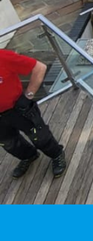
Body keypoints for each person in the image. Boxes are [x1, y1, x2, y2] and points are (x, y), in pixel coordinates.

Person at [0, 50, 67, 179]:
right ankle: (28, 156)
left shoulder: (3, 57)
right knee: (9, 143)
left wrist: (28, 96)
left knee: (39, 135)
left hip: (18, 108)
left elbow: (39, 67)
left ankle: (56, 154)